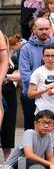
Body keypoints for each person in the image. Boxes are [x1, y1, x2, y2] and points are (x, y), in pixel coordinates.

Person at [18, 18, 54, 132]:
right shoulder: (26, 48)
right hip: (31, 95)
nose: (44, 32)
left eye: (47, 29)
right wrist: (39, 90)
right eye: (41, 29)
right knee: (31, 129)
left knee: (53, 129)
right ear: (34, 29)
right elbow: (25, 74)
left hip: (52, 95)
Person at [28, 45, 54, 167]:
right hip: (41, 116)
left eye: (53, 56)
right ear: (43, 57)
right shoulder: (38, 72)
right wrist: (45, 90)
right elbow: (30, 94)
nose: (50, 58)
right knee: (39, 149)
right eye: (47, 55)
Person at [2, 34, 21, 162]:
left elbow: (20, 75)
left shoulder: (14, 58)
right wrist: (10, 77)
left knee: (8, 125)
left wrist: (6, 77)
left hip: (9, 92)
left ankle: (7, 158)